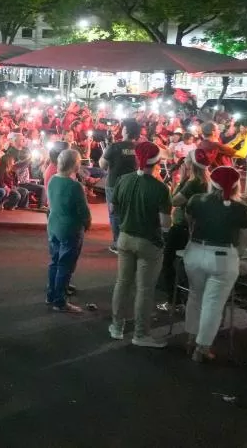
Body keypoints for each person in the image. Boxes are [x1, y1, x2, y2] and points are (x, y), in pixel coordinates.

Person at [182, 166, 247, 362]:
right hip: (223, 257)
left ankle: (190, 338)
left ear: (211, 183)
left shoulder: (196, 200)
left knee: (195, 296)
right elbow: (242, 242)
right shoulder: (243, 209)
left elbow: (190, 223)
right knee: (213, 304)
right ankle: (202, 348)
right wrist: (236, 260)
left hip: (195, 252)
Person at [109, 141, 171, 348]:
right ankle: (140, 334)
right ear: (157, 162)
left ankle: (116, 326)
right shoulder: (161, 188)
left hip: (125, 237)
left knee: (122, 282)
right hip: (148, 242)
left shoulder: (123, 180)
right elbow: (165, 224)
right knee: (144, 289)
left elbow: (113, 209)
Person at [159, 148, 209, 308]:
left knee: (168, 262)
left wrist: (178, 181)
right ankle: (187, 299)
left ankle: (174, 301)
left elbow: (175, 200)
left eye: (187, 157)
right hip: (196, 229)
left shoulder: (192, 184)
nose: (183, 159)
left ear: (191, 163)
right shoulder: (204, 182)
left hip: (182, 228)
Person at [45, 149, 91, 313]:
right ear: (75, 165)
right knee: (65, 265)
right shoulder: (75, 186)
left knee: (55, 262)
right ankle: (60, 301)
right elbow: (83, 211)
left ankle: (51, 295)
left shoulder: (52, 180)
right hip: (70, 228)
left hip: (54, 226)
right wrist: (87, 223)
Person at [100, 119, 140, 253]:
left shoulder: (115, 147)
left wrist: (106, 150)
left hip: (114, 184)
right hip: (132, 183)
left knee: (114, 213)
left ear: (126, 130)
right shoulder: (139, 147)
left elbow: (102, 165)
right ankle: (129, 239)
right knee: (130, 211)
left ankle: (118, 242)